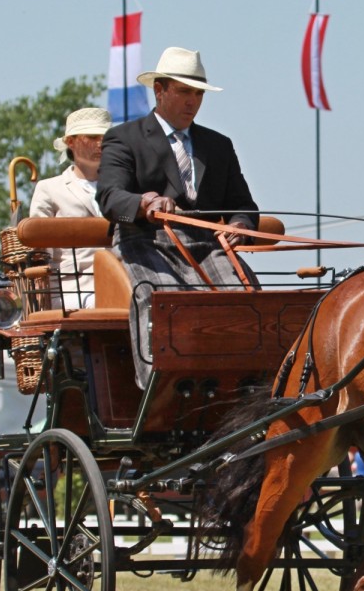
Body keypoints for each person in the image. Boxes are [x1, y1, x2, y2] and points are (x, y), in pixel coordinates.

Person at [97, 47, 259, 388]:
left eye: (198, 93)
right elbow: (110, 196)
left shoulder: (218, 146)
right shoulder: (124, 139)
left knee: (245, 297)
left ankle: (248, 383)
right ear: (160, 90)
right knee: (165, 304)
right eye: (184, 91)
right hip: (146, 242)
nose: (193, 101)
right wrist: (145, 203)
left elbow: (244, 205)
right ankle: (162, 386)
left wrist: (240, 226)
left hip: (207, 245)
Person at [29, 107, 112, 308]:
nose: (100, 143)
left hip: (124, 281)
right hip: (72, 289)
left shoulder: (124, 186)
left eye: (105, 137)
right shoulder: (49, 188)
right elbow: (40, 254)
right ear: (70, 142)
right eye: (92, 137)